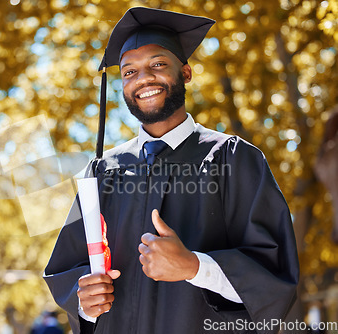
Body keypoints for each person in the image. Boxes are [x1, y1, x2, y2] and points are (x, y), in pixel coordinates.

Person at [44, 7, 299, 334]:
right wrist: (85, 302)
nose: (143, 78)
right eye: (129, 72)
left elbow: (274, 280)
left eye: (158, 64)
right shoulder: (103, 172)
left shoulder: (233, 159)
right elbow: (69, 273)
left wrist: (195, 267)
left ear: (187, 73)